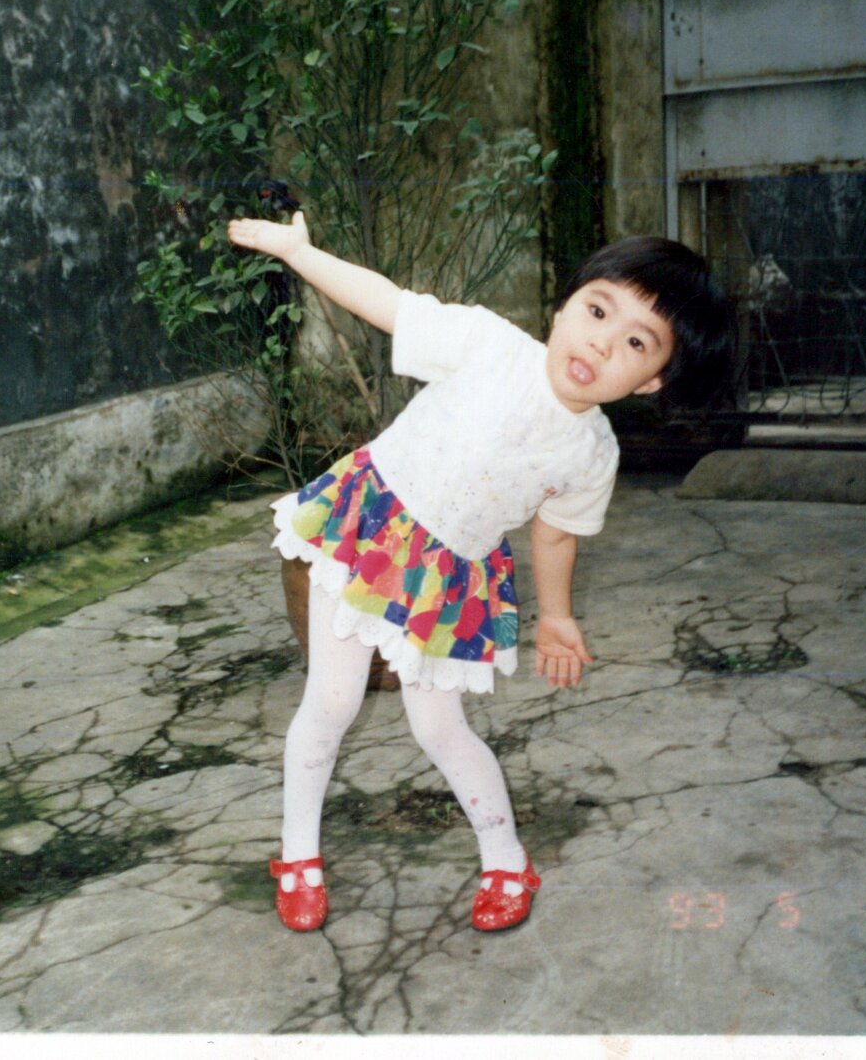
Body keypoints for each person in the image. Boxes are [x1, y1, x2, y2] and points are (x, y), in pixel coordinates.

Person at [227, 210, 735, 933]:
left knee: (440, 728)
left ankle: (506, 859)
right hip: (369, 531)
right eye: (597, 311)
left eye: (635, 342)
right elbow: (386, 303)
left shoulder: (593, 454)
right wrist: (298, 253)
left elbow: (554, 537)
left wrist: (556, 616)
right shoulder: (487, 344)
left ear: (651, 381)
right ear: (564, 306)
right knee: (331, 704)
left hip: (448, 578)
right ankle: (298, 856)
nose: (601, 341)